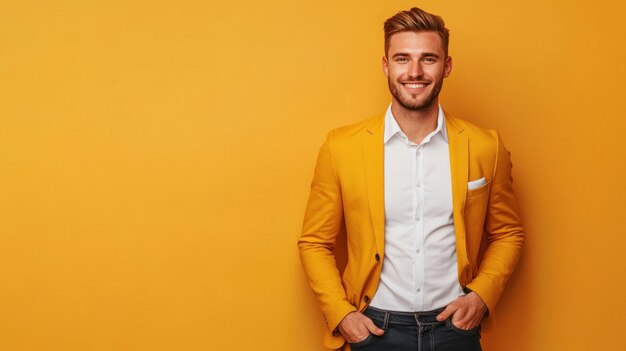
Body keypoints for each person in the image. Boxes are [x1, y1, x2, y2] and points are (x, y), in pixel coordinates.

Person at [298, 7, 524, 351]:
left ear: (446, 66)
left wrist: (481, 296)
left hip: (454, 329)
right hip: (374, 329)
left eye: (428, 59)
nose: (414, 72)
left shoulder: (484, 146)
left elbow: (508, 233)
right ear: (386, 65)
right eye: (402, 59)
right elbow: (314, 242)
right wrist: (341, 314)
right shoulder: (341, 147)